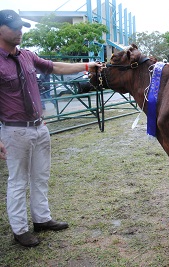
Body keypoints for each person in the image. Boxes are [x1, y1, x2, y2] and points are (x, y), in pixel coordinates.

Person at [0, 9, 102, 247]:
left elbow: (54, 67)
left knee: (41, 176)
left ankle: (42, 219)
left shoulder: (26, 55)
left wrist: (86, 67)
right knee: (17, 181)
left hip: (39, 127)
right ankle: (20, 229)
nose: (19, 31)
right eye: (13, 27)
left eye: (21, 26)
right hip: (14, 130)